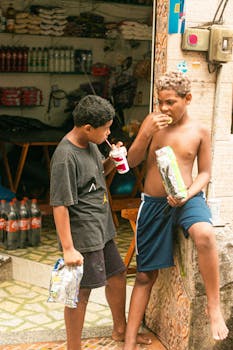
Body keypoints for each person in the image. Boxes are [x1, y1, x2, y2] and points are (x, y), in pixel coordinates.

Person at [123, 71, 229, 350]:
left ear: (188, 99)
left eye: (171, 102)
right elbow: (132, 161)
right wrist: (145, 132)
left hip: (187, 198)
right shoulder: (152, 124)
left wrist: (188, 195)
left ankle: (214, 307)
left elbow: (205, 172)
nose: (164, 109)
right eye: (160, 102)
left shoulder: (200, 131)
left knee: (205, 234)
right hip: (154, 203)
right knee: (145, 275)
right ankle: (130, 341)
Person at [50, 95, 151, 350]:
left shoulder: (91, 144)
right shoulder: (65, 156)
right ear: (87, 128)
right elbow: (59, 205)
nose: (108, 132)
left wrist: (114, 161)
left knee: (116, 275)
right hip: (84, 232)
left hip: (102, 226)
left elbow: (97, 175)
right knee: (81, 292)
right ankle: (74, 347)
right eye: (105, 128)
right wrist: (68, 248)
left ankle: (120, 330)